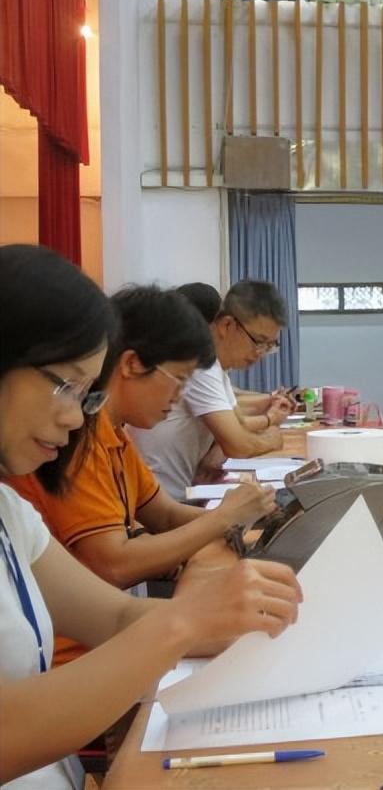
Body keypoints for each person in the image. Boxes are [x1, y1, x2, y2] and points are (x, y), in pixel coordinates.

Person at [0, 245, 302, 788]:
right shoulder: (76, 452)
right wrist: (186, 619)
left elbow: (117, 615)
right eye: (65, 386)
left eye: (85, 394)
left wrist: (246, 621)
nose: (75, 418)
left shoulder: (10, 512)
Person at [5, 285, 278, 666]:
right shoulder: (79, 442)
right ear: (132, 364)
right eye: (67, 388)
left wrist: (241, 525)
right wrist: (222, 519)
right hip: (75, 654)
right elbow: (115, 564)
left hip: (93, 640)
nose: (74, 416)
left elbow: (163, 515)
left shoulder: (112, 432)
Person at [131, 280, 290, 500]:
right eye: (258, 341)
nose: (260, 353)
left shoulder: (217, 367)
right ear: (226, 326)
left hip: (179, 495)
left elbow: (237, 425)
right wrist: (273, 438)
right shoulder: (201, 365)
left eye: (269, 346)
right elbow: (238, 445)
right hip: (165, 501)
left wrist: (221, 445)